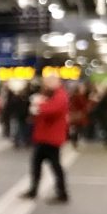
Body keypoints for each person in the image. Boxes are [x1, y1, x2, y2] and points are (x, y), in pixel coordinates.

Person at [21, 74, 69, 204]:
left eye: (48, 82)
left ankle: (62, 193)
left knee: (55, 166)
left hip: (52, 138)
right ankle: (34, 189)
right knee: (36, 165)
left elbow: (53, 109)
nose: (45, 84)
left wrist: (39, 106)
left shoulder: (60, 95)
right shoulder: (48, 95)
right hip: (42, 136)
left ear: (56, 82)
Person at [68, 83, 90, 149]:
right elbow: (83, 106)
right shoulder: (80, 96)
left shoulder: (71, 96)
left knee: (74, 128)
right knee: (78, 129)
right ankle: (75, 140)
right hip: (78, 115)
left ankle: (73, 140)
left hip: (73, 114)